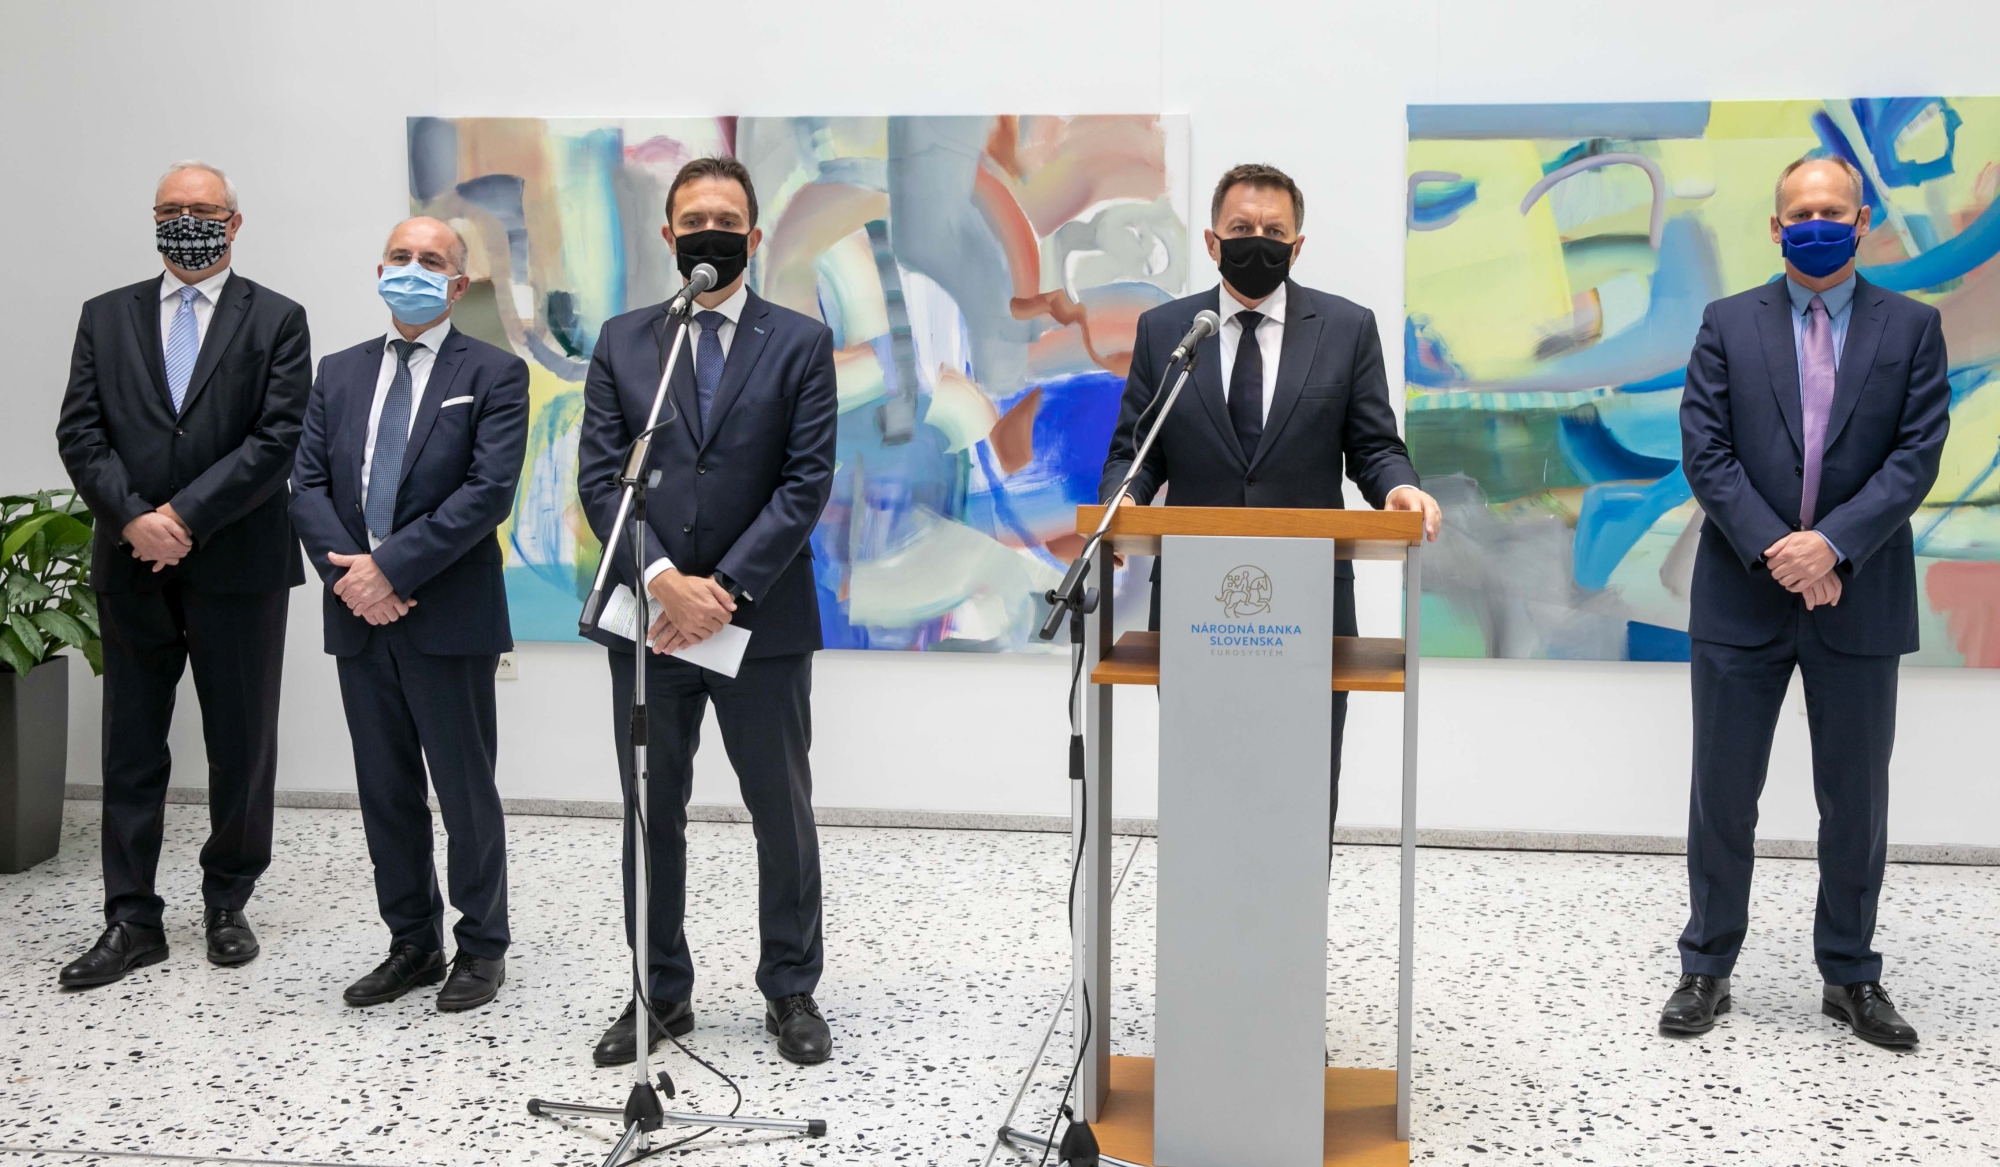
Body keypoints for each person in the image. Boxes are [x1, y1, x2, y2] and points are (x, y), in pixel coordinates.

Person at [1663, 156, 1950, 1048]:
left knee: (1856, 801)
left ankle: (1851, 973)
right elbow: (1705, 450)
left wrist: (1831, 546)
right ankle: (1706, 965)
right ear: (1776, 225)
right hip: (1741, 595)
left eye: (1832, 210)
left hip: (1859, 595)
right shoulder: (1726, 323)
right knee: (1722, 793)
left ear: (1861, 221)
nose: (1815, 223)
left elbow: (1916, 455)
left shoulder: (1913, 327)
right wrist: (1780, 551)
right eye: (1800, 212)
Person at [577, 156, 839, 1066]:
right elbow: (600, 478)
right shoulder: (624, 342)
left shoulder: (800, 342)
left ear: (754, 236)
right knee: (652, 810)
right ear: (669, 235)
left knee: (780, 809)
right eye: (694, 220)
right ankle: (659, 992)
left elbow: (805, 483)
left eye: (727, 221)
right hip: (649, 624)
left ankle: (791, 987)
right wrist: (661, 580)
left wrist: (720, 590)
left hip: (759, 620)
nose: (710, 234)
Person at [1099, 162, 1442, 834]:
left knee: (1303, 783)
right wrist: (1122, 503)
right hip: (1195, 601)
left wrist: (1401, 487)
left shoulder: (1346, 328)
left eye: (1274, 231)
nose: (1258, 241)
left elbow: (1374, 447)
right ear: (1212, 241)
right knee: (1203, 778)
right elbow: (1135, 453)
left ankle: (1299, 906)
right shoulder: (1168, 332)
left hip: (1311, 599)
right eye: (1241, 228)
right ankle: (1204, 902)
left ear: (1297, 245)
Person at [53, 160, 310, 987]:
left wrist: (184, 519)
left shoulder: (277, 318)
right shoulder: (105, 315)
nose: (186, 221)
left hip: (240, 564)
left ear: (234, 222)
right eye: (170, 209)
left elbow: (277, 439)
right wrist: (135, 519)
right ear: (154, 219)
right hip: (131, 562)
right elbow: (80, 430)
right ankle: (131, 917)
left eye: (202, 209)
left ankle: (228, 900)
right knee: (131, 743)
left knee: (242, 742)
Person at [289, 217, 529, 1012]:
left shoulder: (494, 372)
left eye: (432, 261)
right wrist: (356, 581)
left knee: (464, 792)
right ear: (379, 270)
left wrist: (388, 569)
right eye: (401, 257)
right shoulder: (339, 371)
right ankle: (412, 942)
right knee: (385, 789)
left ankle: (482, 947)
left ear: (458, 285)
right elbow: (306, 486)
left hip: (447, 613)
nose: (413, 269)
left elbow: (486, 493)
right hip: (357, 615)